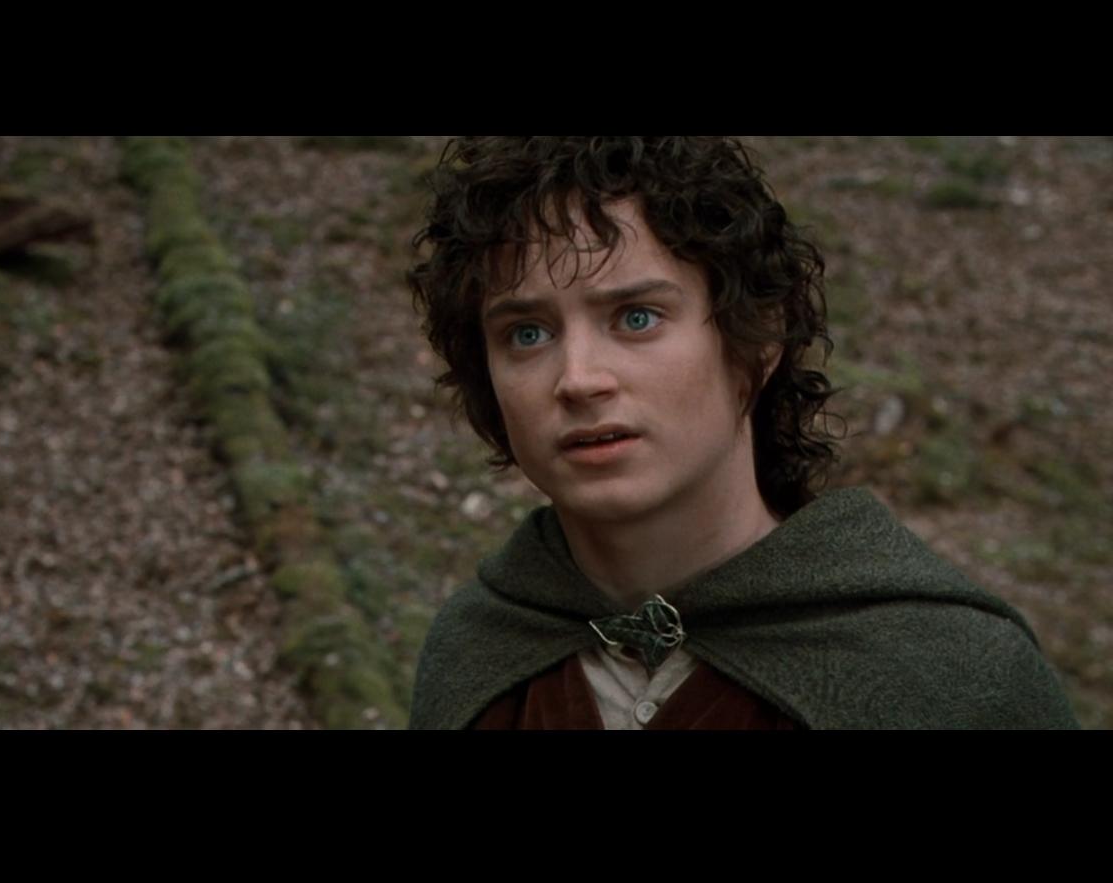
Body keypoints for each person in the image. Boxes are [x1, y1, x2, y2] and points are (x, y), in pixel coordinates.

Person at [404, 137, 1077, 730]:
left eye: (636, 317)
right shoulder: (476, 656)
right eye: (527, 333)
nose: (578, 379)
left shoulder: (950, 671)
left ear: (756, 340)